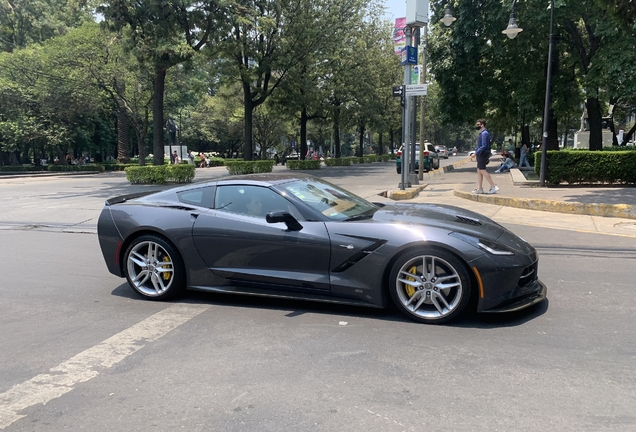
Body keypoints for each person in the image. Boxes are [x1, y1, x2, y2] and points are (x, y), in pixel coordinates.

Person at [472, 119, 499, 194]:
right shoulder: (482, 133)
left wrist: (476, 153)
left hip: (482, 153)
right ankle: (479, 188)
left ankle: (493, 186)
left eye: (478, 124)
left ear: (482, 125)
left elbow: (483, 146)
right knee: (479, 170)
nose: (477, 126)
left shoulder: (484, 134)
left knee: (482, 170)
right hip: (481, 153)